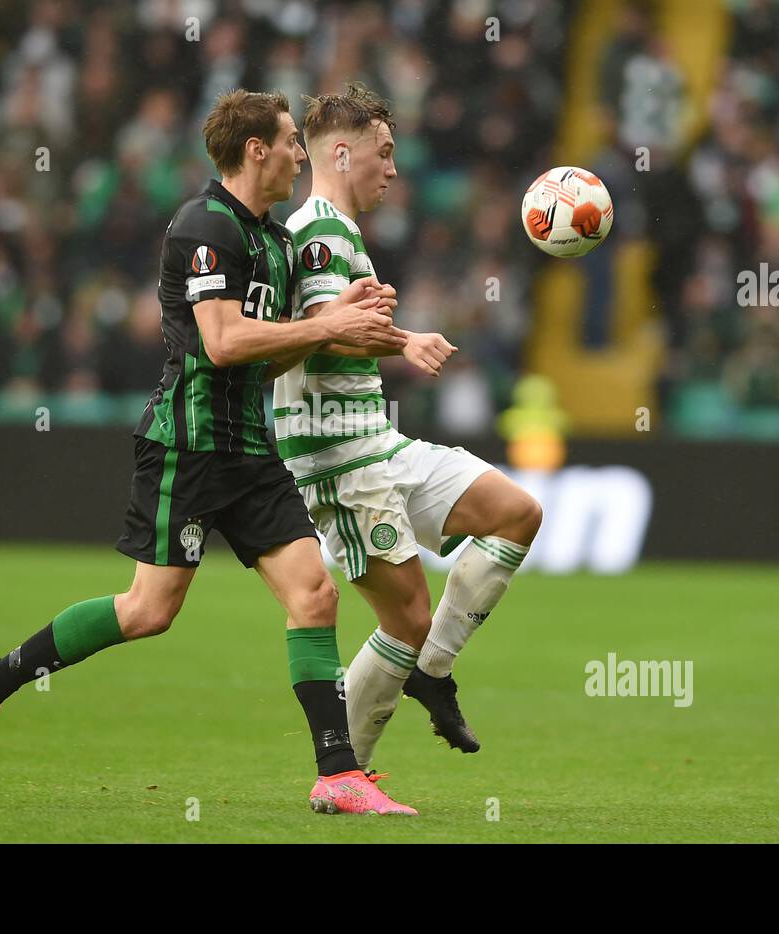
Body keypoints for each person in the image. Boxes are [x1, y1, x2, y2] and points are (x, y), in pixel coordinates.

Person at [0, 89, 417, 816]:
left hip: (249, 449)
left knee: (314, 594)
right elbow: (224, 344)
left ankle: (337, 772)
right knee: (147, 611)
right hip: (186, 447)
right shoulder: (203, 227)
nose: (299, 154)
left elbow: (270, 362)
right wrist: (325, 327)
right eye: (290, 141)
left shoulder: (278, 243)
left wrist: (347, 327)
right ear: (255, 149)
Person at [269, 83, 543, 771]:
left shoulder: (340, 232)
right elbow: (322, 335)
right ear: (340, 151)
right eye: (382, 153)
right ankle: (344, 774)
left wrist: (384, 330)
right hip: (337, 457)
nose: (393, 168)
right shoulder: (315, 235)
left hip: (377, 443)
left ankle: (432, 672)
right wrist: (403, 339)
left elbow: (332, 327)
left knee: (516, 513)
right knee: (406, 619)